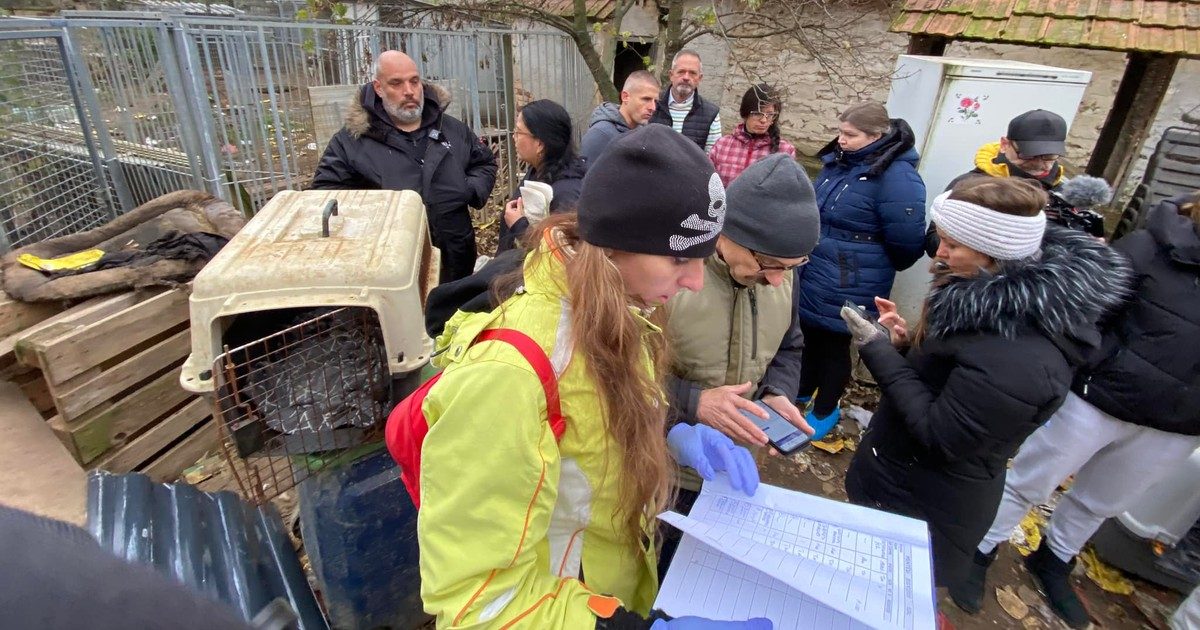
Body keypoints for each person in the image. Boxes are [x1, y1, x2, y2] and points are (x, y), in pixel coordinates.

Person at [416, 125, 770, 630]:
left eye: (702, 259)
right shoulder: (508, 375)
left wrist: (663, 432)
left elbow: (582, 428)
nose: (694, 281)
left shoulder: (619, 306)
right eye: (678, 258)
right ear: (615, 245)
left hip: (608, 585)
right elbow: (477, 601)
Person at [838, 177, 1132, 588]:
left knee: (886, 591)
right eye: (941, 239)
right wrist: (905, 346)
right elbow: (946, 379)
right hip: (899, 476)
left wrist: (877, 350)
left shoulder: (1022, 353)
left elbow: (940, 435)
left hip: (926, 503)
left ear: (996, 253)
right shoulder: (984, 299)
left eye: (953, 245)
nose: (939, 253)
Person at [953, 191, 1200, 628]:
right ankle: (981, 547)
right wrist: (1092, 367)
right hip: (1100, 397)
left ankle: (1054, 558)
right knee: (1030, 478)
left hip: (1181, 423)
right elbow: (1087, 312)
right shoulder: (1152, 247)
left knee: (1103, 500)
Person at [792, 102, 926, 439]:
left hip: (852, 275)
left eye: (850, 135)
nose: (841, 140)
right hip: (817, 268)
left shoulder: (898, 177)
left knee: (837, 342)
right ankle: (802, 393)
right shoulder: (840, 163)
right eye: (840, 132)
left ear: (876, 136)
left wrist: (860, 259)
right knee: (809, 334)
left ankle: (827, 408)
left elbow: (907, 242)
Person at [665, 153, 817, 444]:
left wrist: (777, 392)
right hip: (663, 456)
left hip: (737, 456)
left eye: (791, 266)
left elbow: (789, 347)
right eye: (768, 262)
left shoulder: (782, 274)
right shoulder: (668, 277)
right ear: (724, 232)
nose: (776, 281)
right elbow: (619, 373)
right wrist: (694, 402)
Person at [311, 50, 498, 283]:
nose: (409, 91)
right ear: (379, 88)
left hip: (455, 255)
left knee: (456, 315)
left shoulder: (452, 129)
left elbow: (484, 162)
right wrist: (378, 213)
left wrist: (468, 188)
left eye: (414, 81)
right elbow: (325, 196)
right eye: (396, 83)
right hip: (388, 262)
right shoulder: (352, 141)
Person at [924, 109, 1068, 256]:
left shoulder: (1065, 194)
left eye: (1049, 156)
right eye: (1028, 155)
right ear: (1005, 144)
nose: (1039, 164)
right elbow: (932, 242)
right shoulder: (969, 184)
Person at [498, 99, 588, 252]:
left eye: (519, 132)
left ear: (539, 144)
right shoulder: (538, 170)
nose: (514, 137)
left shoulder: (566, 193)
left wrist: (519, 225)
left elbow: (562, 251)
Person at [708, 84, 797, 187]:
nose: (763, 120)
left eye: (770, 115)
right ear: (745, 114)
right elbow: (707, 181)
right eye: (757, 113)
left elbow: (786, 192)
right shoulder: (723, 145)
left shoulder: (785, 151)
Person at [648, 50, 721, 152]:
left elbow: (712, 158)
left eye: (692, 73)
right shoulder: (652, 103)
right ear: (671, 75)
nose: (686, 77)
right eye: (681, 71)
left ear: (699, 78)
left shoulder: (711, 114)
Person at [580, 70, 660, 163]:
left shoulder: (645, 134)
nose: (653, 108)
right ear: (625, 97)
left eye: (655, 101)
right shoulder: (600, 135)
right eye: (646, 99)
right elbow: (587, 176)